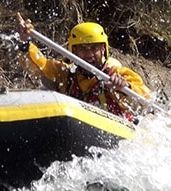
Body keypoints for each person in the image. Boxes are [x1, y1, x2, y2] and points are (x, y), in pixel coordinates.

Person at [14, 13, 150, 122]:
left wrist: (124, 88)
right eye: (82, 49)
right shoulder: (65, 74)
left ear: (103, 49)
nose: (89, 54)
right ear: (73, 51)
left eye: (94, 48)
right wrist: (25, 42)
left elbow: (145, 97)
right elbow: (38, 64)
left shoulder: (117, 74)